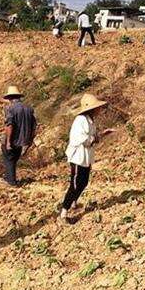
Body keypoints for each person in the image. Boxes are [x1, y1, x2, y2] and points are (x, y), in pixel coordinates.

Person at [59, 93, 113, 224]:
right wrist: (94, 138)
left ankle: (73, 202)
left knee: (84, 182)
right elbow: (81, 138)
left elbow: (92, 137)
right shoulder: (81, 120)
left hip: (86, 156)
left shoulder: (90, 120)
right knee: (75, 184)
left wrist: (101, 135)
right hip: (78, 156)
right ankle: (63, 212)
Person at [2, 86, 36, 186]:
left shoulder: (10, 108)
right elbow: (34, 125)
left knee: (9, 158)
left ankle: (11, 181)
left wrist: (8, 142)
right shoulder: (29, 108)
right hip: (22, 139)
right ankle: (10, 177)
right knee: (14, 158)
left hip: (13, 138)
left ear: (10, 98)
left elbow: (9, 125)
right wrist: (30, 139)